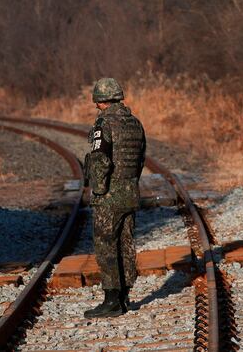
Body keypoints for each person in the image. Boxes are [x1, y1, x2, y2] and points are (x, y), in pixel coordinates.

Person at [83, 78, 146, 318]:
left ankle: (111, 300)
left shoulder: (103, 124)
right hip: (130, 192)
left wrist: (98, 190)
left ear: (100, 101)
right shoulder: (135, 123)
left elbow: (100, 160)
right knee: (126, 243)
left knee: (106, 245)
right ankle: (125, 297)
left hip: (109, 195)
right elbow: (140, 160)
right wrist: (131, 184)